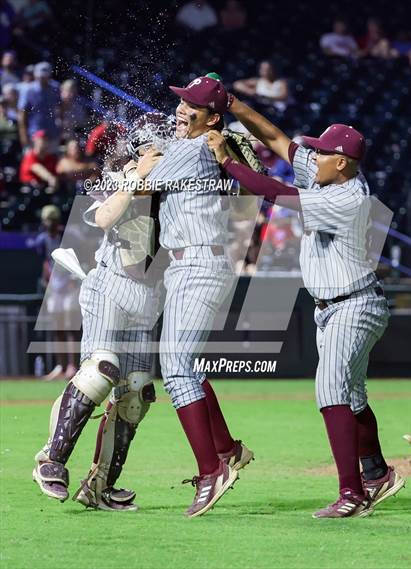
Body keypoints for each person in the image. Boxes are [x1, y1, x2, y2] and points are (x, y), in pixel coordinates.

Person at [207, 93, 405, 518]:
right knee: (350, 396)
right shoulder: (326, 175)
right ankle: (376, 472)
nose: (312, 155)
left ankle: (352, 495)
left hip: (353, 304)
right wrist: (234, 105)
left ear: (343, 162)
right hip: (338, 304)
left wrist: (227, 160)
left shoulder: (346, 197)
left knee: (329, 389)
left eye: (322, 152)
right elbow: (277, 139)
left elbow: (275, 192)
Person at [32, 114, 171, 511]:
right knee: (102, 369)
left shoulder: (177, 181)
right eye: (159, 146)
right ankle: (51, 460)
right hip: (111, 285)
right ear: (143, 148)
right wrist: (134, 178)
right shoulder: (117, 175)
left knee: (138, 395)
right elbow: (106, 217)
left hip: (149, 295)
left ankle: (101, 486)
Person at [145, 75, 255, 517]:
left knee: (174, 370)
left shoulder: (195, 149)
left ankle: (212, 470)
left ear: (212, 117)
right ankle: (227, 449)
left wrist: (142, 156)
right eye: (181, 102)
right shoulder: (198, 144)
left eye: (190, 105)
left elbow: (143, 181)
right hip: (191, 263)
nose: (179, 109)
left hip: (198, 264)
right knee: (184, 365)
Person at [28, 205, 79, 381]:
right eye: (46, 220)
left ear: (57, 221)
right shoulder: (42, 240)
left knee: (71, 326)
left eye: (51, 219)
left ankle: (73, 366)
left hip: (70, 284)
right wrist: (47, 281)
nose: (48, 223)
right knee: (57, 328)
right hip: (55, 286)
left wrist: (73, 280)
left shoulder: (69, 236)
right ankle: (61, 366)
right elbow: (45, 262)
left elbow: (78, 257)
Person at [17, 61, 60, 149]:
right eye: (40, 76)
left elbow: (61, 108)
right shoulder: (28, 90)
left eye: (44, 76)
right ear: (35, 75)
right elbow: (22, 115)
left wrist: (61, 128)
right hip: (33, 135)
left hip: (52, 133)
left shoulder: (55, 88)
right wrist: (23, 136)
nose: (42, 78)